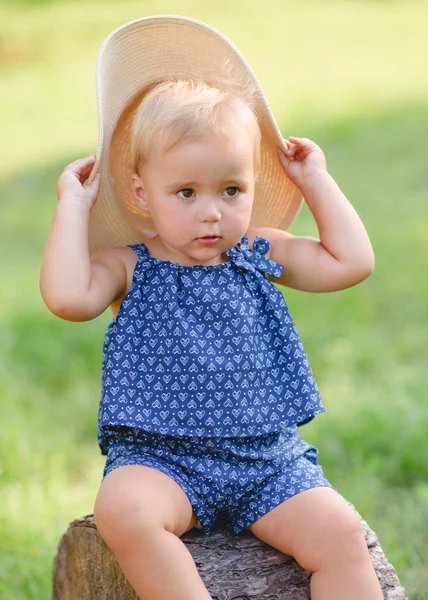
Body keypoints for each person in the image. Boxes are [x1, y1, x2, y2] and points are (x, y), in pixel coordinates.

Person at [40, 16, 382, 600]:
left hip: (267, 461)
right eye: (186, 192)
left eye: (231, 190)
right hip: (163, 460)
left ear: (252, 185)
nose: (211, 213)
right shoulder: (130, 266)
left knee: (341, 532)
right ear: (142, 195)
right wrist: (73, 205)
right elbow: (68, 299)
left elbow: (351, 262)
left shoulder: (258, 251)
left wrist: (315, 179)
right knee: (123, 508)